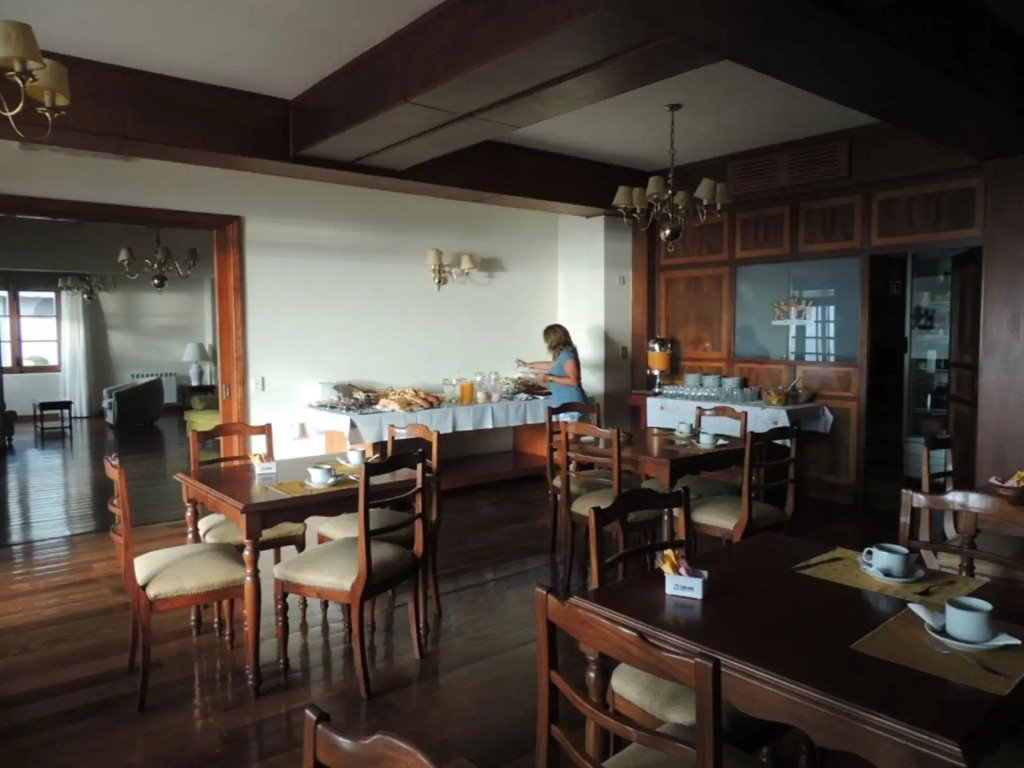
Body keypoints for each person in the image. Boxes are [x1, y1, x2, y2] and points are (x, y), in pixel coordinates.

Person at [516, 324, 590, 421]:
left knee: (572, 431)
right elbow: (552, 365)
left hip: (572, 404)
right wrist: (528, 365)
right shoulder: (563, 354)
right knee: (566, 431)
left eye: (547, 340)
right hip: (566, 404)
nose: (546, 343)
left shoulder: (567, 354)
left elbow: (574, 381)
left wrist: (550, 378)